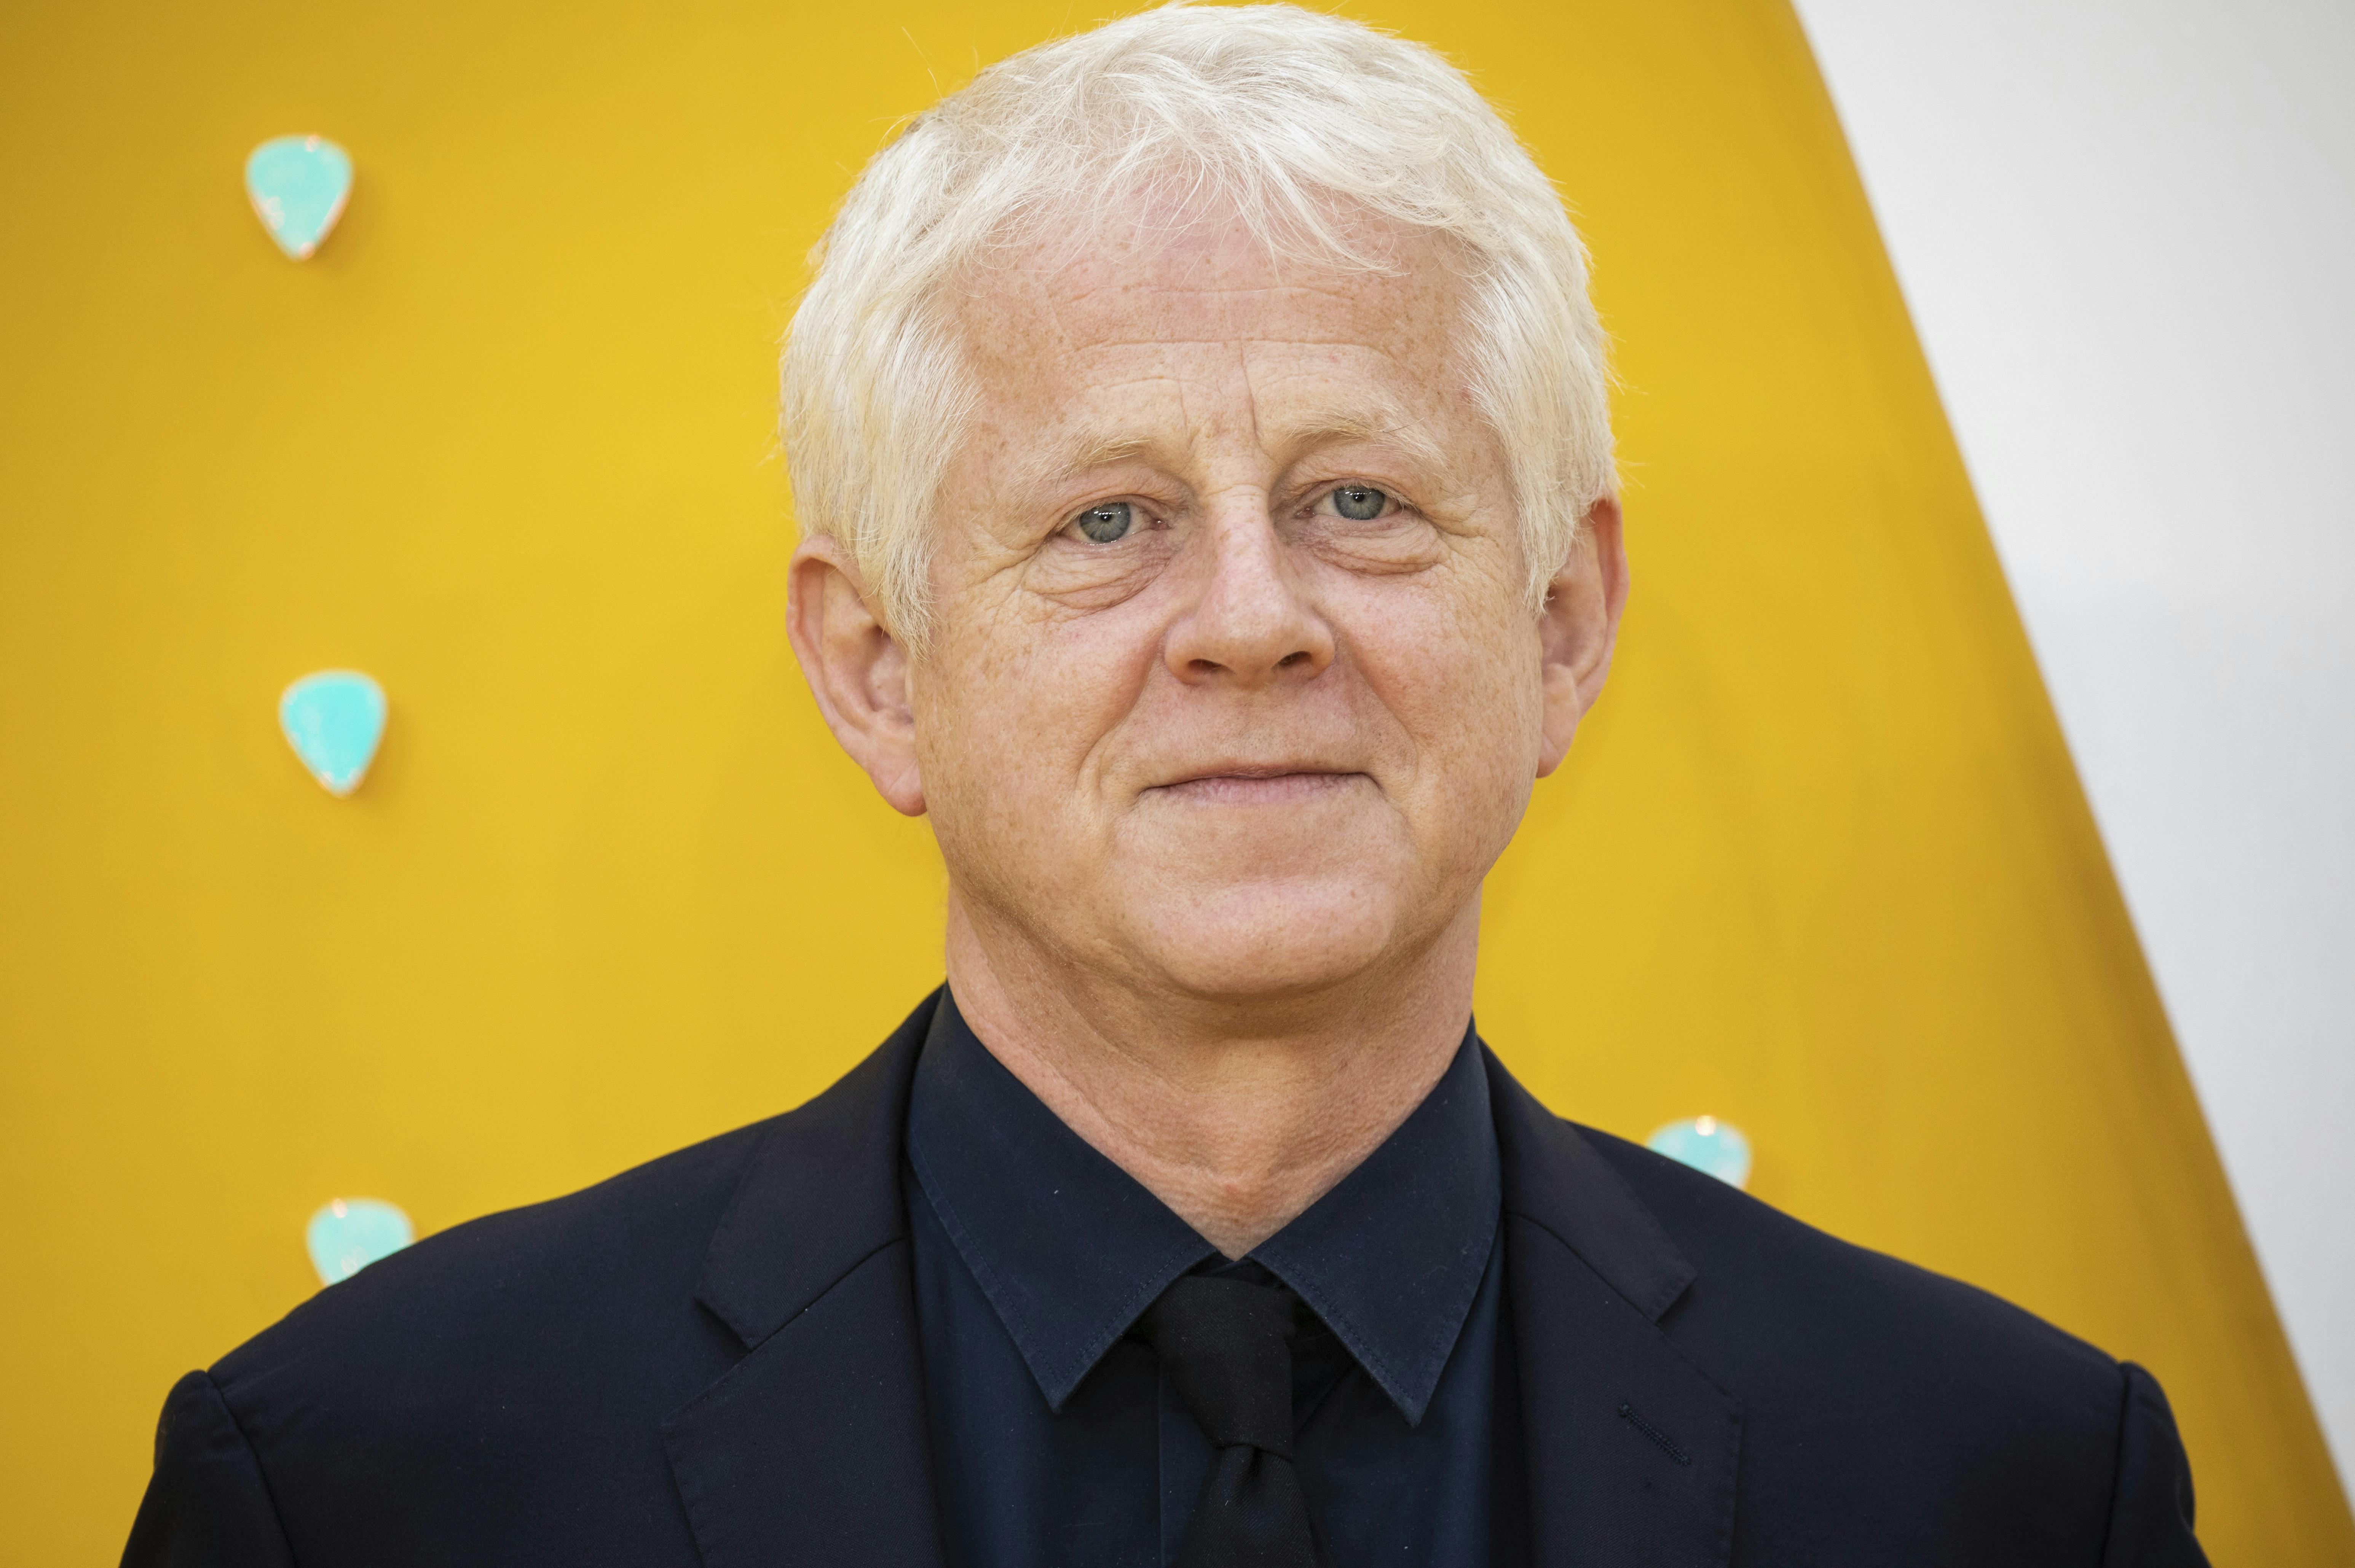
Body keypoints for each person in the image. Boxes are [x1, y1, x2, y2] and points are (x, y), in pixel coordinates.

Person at [123, 6, 2207, 1565]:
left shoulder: (2010, 1481)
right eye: (1109, 520)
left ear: (1563, 622)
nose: (1252, 618)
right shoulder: (355, 1482)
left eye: (1360, 497)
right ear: (878, 673)